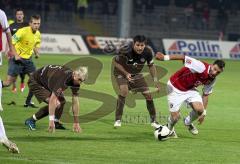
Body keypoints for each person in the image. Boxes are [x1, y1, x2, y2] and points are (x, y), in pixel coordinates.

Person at [155, 53, 225, 138]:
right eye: (214, 69)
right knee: (175, 117)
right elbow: (183, 57)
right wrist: (164, 57)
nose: (215, 73)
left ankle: (188, 122)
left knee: (200, 110)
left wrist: (203, 113)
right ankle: (170, 129)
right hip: (175, 87)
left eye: (218, 72)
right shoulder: (201, 66)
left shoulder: (212, 80)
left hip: (190, 89)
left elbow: (206, 95)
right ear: (212, 65)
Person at [112, 35, 160, 128]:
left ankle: (154, 121)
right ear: (133, 44)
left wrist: (155, 80)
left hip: (136, 74)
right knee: (124, 91)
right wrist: (126, 74)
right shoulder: (125, 50)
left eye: (142, 45)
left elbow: (151, 66)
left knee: (148, 95)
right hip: (121, 73)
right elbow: (116, 63)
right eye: (138, 45)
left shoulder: (148, 52)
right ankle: (118, 119)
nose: (140, 48)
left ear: (145, 45)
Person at [25, 65, 87, 133]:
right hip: (36, 82)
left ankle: (56, 122)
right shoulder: (63, 79)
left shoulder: (76, 82)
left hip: (47, 82)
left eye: (82, 80)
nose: (80, 82)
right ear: (74, 74)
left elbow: (75, 102)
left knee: (62, 101)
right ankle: (31, 120)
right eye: (79, 80)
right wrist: (50, 121)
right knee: (57, 103)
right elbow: (52, 100)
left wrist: (76, 122)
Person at [2, 15, 41, 108]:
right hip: (17, 59)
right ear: (30, 23)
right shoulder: (23, 31)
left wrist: (36, 53)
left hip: (28, 60)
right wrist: (15, 55)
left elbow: (34, 44)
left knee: (35, 81)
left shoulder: (38, 34)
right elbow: (11, 42)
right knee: (8, 83)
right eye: (34, 23)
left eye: (38, 23)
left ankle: (28, 102)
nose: (36, 25)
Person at [0, 9, 20, 153]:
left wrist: (11, 49)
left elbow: (7, 32)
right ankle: (4, 139)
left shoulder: (1, 14)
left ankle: (4, 139)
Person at [9, 8, 29, 93]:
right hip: (14, 51)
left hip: (24, 52)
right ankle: (13, 86)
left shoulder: (27, 25)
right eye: (18, 14)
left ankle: (22, 82)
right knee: (13, 70)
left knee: (23, 70)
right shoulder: (12, 25)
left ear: (23, 15)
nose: (19, 15)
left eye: (21, 14)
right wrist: (8, 50)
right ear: (16, 15)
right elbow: (9, 39)